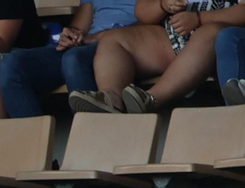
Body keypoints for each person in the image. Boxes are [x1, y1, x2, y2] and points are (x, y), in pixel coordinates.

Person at [69, 0, 245, 112]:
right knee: (114, 38)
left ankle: (151, 99)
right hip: (173, 36)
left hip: (221, 40)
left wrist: (200, 18)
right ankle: (111, 97)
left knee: (212, 32)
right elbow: (141, 11)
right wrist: (161, 5)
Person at [0, 0, 137, 116]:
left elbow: (149, 25)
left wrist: (101, 36)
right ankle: (34, 140)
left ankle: (91, 135)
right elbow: (79, 26)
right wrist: (70, 35)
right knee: (10, 64)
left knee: (73, 58)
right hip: (87, 44)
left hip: (123, 45)